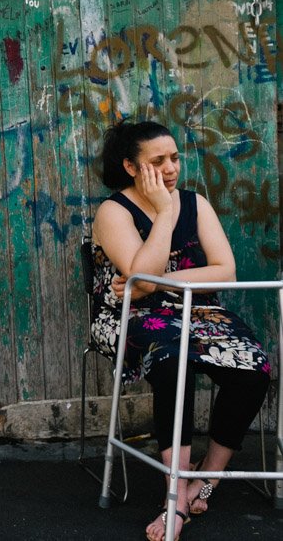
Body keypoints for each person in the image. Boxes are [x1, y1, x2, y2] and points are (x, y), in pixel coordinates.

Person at [90, 119, 270, 541]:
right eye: (158, 161)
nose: (171, 168)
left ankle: (206, 479)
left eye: (174, 157)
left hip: (199, 313)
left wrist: (153, 280)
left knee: (254, 368)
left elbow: (224, 271)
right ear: (132, 168)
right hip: (127, 317)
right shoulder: (113, 211)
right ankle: (175, 497)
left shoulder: (197, 203)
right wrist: (165, 214)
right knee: (173, 360)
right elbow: (143, 283)